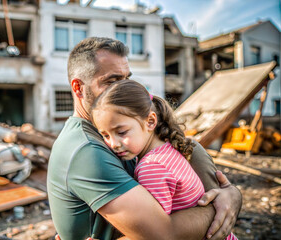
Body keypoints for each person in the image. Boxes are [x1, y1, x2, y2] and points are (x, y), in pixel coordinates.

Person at [47, 37, 242, 240]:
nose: (121, 89)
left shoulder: (133, 133)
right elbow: (163, 234)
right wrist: (221, 205)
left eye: (126, 79)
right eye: (112, 81)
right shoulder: (87, 149)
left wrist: (231, 194)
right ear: (78, 88)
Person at [90, 79, 238, 240]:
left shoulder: (152, 167)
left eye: (122, 132)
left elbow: (152, 234)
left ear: (150, 122)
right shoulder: (167, 149)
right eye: (105, 135)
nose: (114, 144)